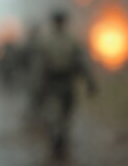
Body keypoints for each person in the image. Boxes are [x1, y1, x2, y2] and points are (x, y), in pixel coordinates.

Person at [31, 9, 96, 160]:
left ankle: (60, 139)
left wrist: (90, 81)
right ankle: (56, 139)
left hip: (66, 83)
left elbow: (82, 62)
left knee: (66, 114)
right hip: (53, 84)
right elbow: (39, 66)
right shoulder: (50, 42)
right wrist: (37, 85)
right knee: (54, 114)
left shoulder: (69, 41)